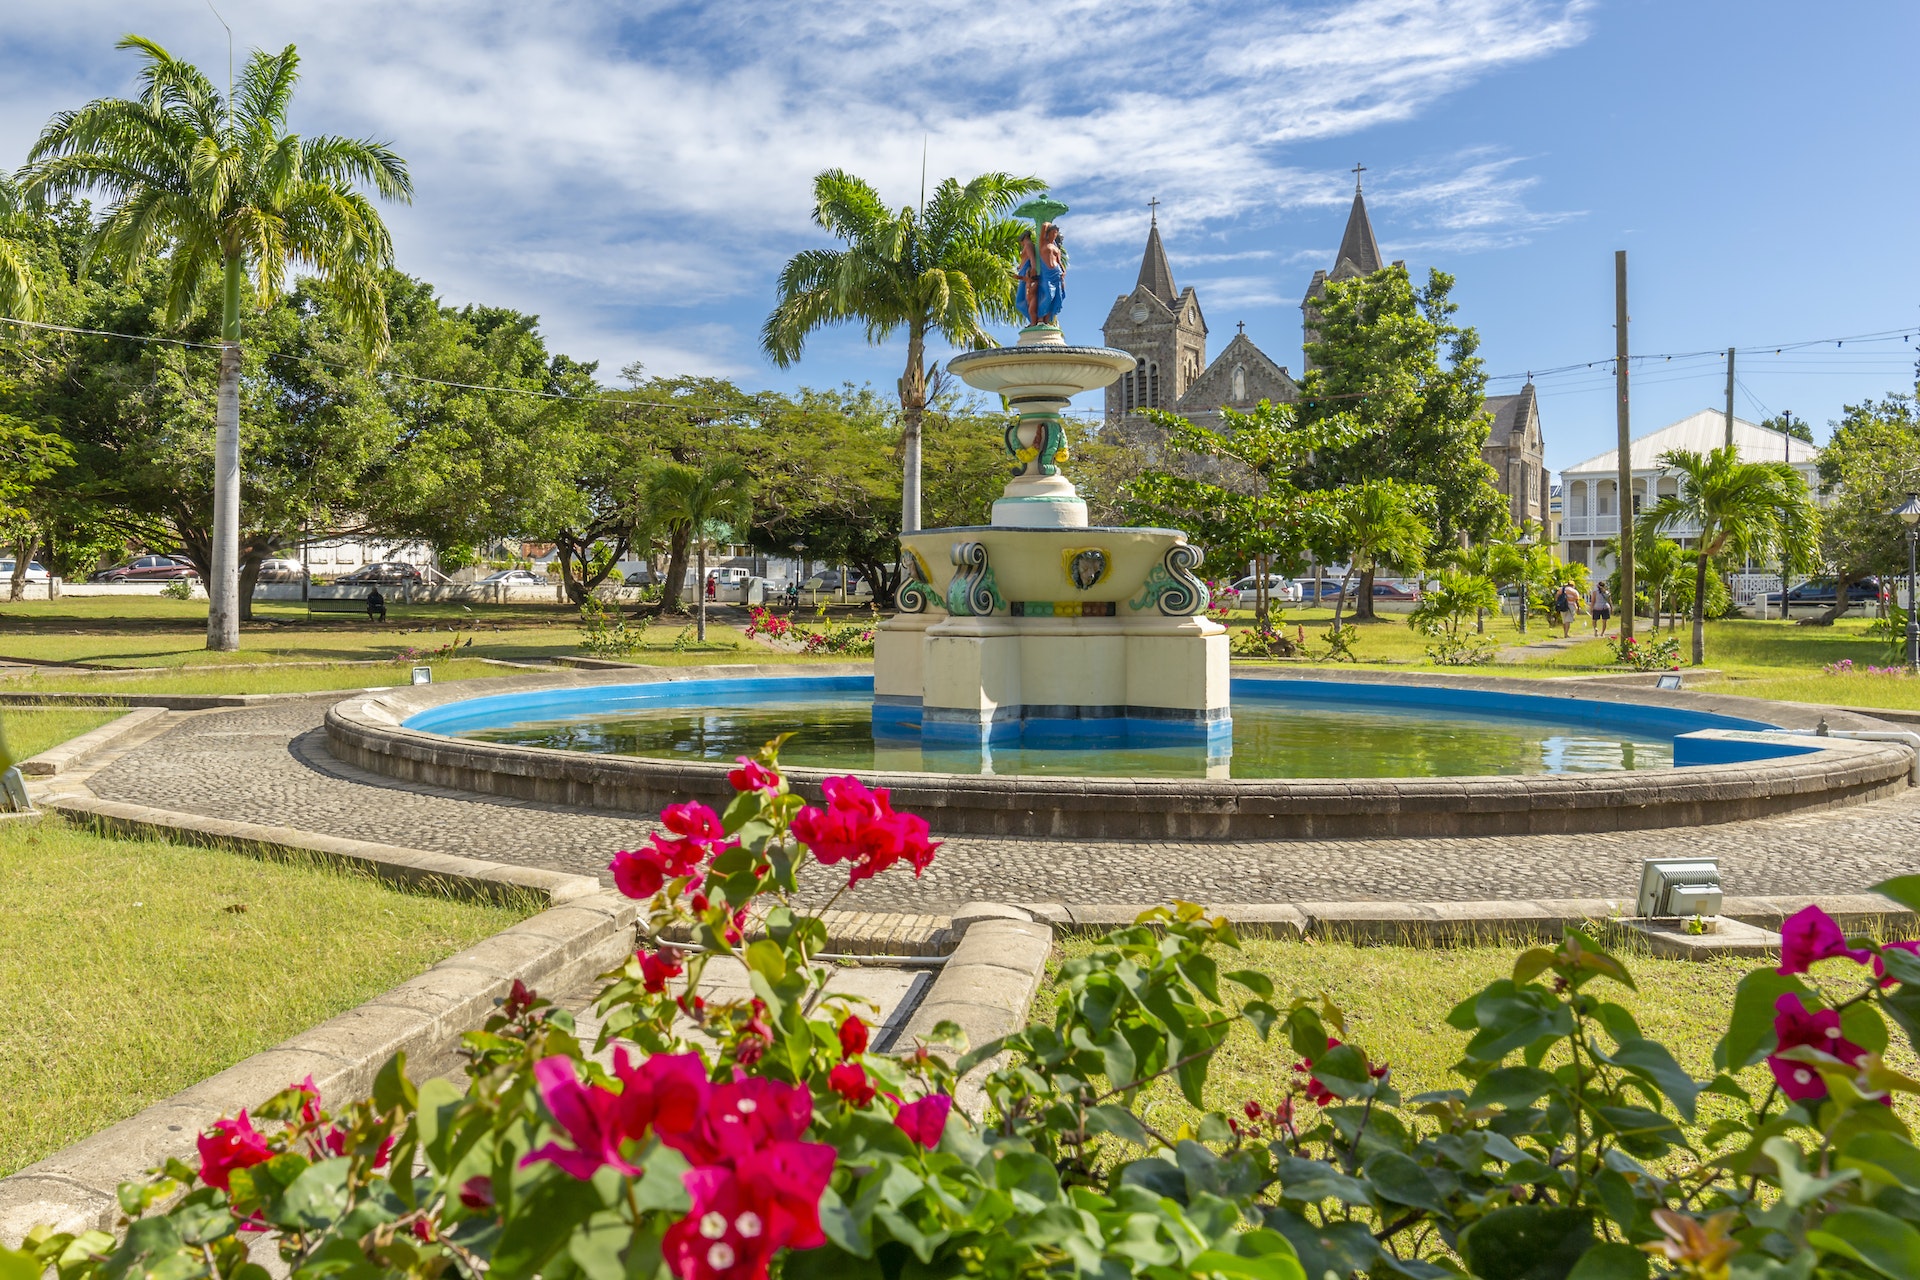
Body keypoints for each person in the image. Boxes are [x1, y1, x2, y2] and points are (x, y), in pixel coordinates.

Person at [1014, 222, 1067, 326]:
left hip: (1056, 273)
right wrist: (1048, 224)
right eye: (1052, 232)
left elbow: (1059, 262)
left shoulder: (1056, 248)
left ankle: (1044, 320)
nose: (1054, 235)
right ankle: (1039, 318)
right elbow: (1043, 226)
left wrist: (1063, 271)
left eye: (1056, 233)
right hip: (1046, 273)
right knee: (1047, 295)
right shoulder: (1043, 243)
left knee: (1055, 296)